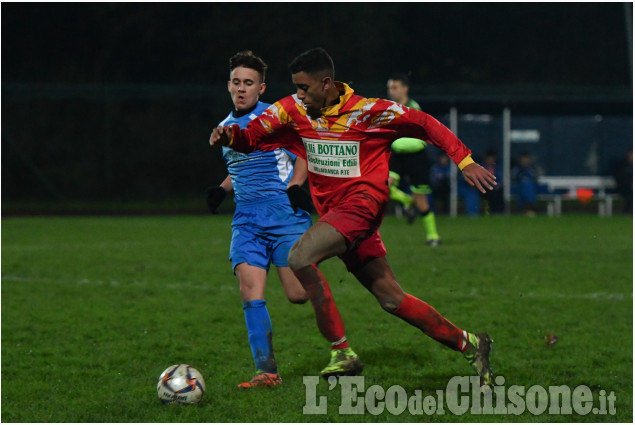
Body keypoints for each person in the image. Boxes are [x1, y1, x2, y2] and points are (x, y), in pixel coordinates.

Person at [210, 48, 497, 387]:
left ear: (326, 83)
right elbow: (254, 136)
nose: (298, 95)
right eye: (295, 88)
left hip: (362, 207)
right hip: (338, 217)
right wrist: (231, 136)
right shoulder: (294, 109)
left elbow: (425, 124)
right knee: (392, 299)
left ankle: (342, 352)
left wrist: (464, 161)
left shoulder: (369, 112)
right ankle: (472, 344)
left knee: (299, 256)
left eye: (304, 88)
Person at [206, 51, 313, 388]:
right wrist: (222, 189)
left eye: (248, 83)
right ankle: (266, 371)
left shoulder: (274, 118)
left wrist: (296, 186)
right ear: (228, 85)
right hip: (247, 220)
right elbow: (239, 170)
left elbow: (303, 155)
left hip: (284, 215)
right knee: (249, 290)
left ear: (260, 87)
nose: (241, 88)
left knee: (298, 295)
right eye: (236, 82)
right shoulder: (224, 127)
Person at [386, 73, 441, 245]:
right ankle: (406, 200)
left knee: (421, 201)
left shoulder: (413, 108)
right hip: (397, 155)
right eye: (389, 88)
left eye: (395, 88)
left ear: (405, 89)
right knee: (383, 185)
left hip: (416, 157)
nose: (391, 91)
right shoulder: (388, 108)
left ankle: (433, 236)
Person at [511, 152, 539, 216]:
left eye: (526, 159)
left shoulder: (532, 169)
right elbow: (513, 179)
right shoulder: (516, 169)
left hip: (531, 188)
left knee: (528, 185)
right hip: (519, 188)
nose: (524, 161)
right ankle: (529, 207)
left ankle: (528, 207)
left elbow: (536, 179)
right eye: (523, 160)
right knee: (525, 185)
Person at [481, 148, 504, 214]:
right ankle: (487, 212)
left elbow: (500, 180)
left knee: (497, 195)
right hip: (484, 188)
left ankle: (497, 213)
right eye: (489, 159)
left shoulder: (498, 168)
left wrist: (496, 185)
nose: (490, 161)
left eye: (492, 159)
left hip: (495, 188)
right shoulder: (481, 167)